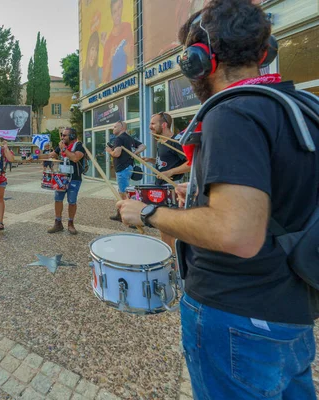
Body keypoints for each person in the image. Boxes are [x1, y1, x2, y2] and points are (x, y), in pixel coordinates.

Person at [117, 1, 319, 398]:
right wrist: (197, 194)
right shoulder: (299, 108)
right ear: (265, 53)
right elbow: (279, 197)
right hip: (290, 315)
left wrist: (148, 212)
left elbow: (237, 232)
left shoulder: (234, 112)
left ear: (198, 59)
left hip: (236, 315)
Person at [143, 112, 190, 252]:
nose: (150, 127)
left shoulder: (175, 142)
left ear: (163, 125)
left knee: (172, 227)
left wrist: (170, 172)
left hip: (173, 188)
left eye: (153, 123)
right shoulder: (161, 141)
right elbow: (168, 161)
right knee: (164, 226)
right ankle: (168, 256)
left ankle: (176, 260)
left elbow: (191, 163)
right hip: (161, 187)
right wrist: (152, 160)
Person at [39, 128, 85, 235]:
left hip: (74, 178)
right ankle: (58, 223)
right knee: (58, 199)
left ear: (72, 136)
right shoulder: (61, 145)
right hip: (61, 178)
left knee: (72, 201)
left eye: (64, 135)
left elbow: (75, 158)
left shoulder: (79, 146)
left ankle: (70, 223)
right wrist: (36, 157)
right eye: (62, 135)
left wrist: (64, 149)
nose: (62, 137)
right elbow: (51, 155)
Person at [107, 121, 146, 221]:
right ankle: (120, 214)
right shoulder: (129, 138)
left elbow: (117, 154)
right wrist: (133, 153)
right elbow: (143, 146)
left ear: (122, 127)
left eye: (115, 127)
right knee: (123, 192)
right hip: (128, 167)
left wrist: (110, 151)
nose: (113, 128)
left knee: (124, 194)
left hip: (122, 168)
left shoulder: (119, 139)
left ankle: (131, 218)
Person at [101, 0, 134, 82]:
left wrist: (129, 53)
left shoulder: (127, 27)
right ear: (111, 15)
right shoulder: (108, 42)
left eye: (119, 8)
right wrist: (110, 58)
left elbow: (131, 63)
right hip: (114, 85)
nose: (118, 13)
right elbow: (104, 78)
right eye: (114, 11)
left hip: (127, 80)